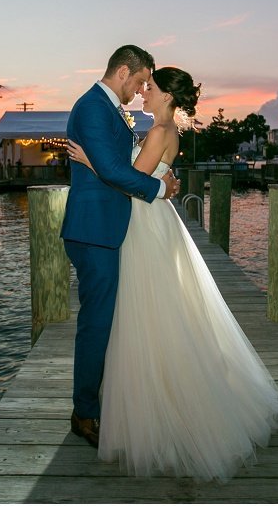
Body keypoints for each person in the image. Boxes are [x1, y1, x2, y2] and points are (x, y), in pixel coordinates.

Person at [66, 67, 278, 481]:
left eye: (151, 89)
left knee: (148, 311)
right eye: (143, 86)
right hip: (150, 220)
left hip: (145, 225)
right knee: (154, 311)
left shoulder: (158, 132)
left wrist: (92, 165)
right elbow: (144, 176)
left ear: (168, 97)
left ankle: (153, 401)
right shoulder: (165, 130)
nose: (143, 94)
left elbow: (130, 179)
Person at [60, 45, 181, 449]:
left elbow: (118, 165)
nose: (142, 89)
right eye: (141, 81)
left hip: (109, 228)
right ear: (124, 72)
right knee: (96, 324)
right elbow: (113, 171)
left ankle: (98, 401)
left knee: (106, 321)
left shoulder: (109, 108)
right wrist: (159, 187)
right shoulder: (94, 107)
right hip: (94, 231)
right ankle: (84, 413)